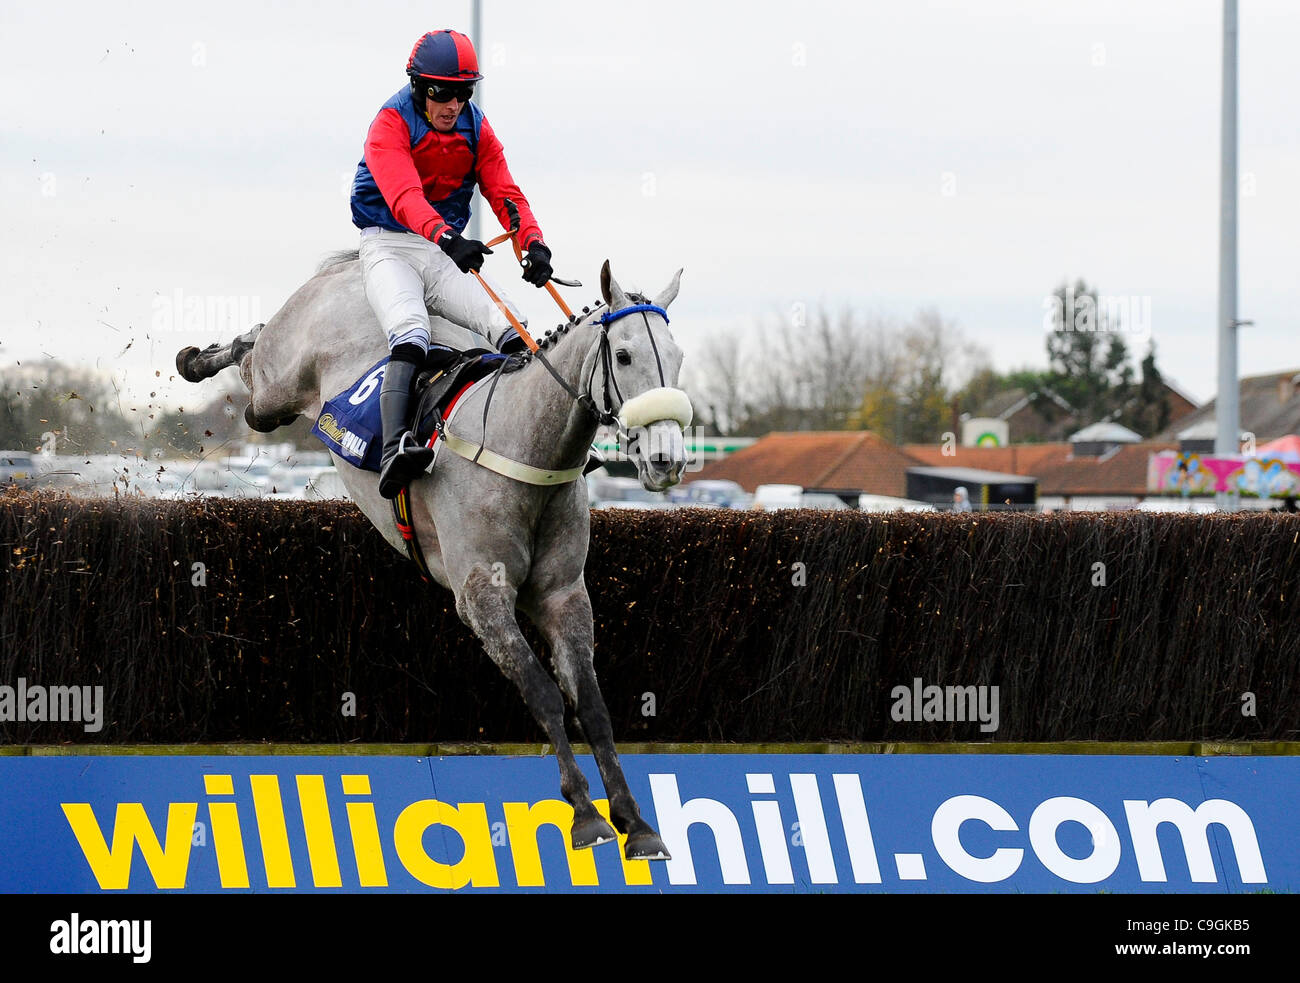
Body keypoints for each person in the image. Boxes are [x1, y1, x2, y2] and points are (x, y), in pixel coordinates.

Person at [350, 29, 554, 499]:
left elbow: (505, 192)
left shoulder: (478, 127)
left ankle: (533, 437)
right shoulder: (389, 123)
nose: (453, 104)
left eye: (463, 92)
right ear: (419, 87)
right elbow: (404, 197)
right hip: (389, 245)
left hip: (441, 247)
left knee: (509, 322)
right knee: (411, 330)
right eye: (442, 92)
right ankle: (394, 451)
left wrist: (534, 244)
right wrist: (448, 236)